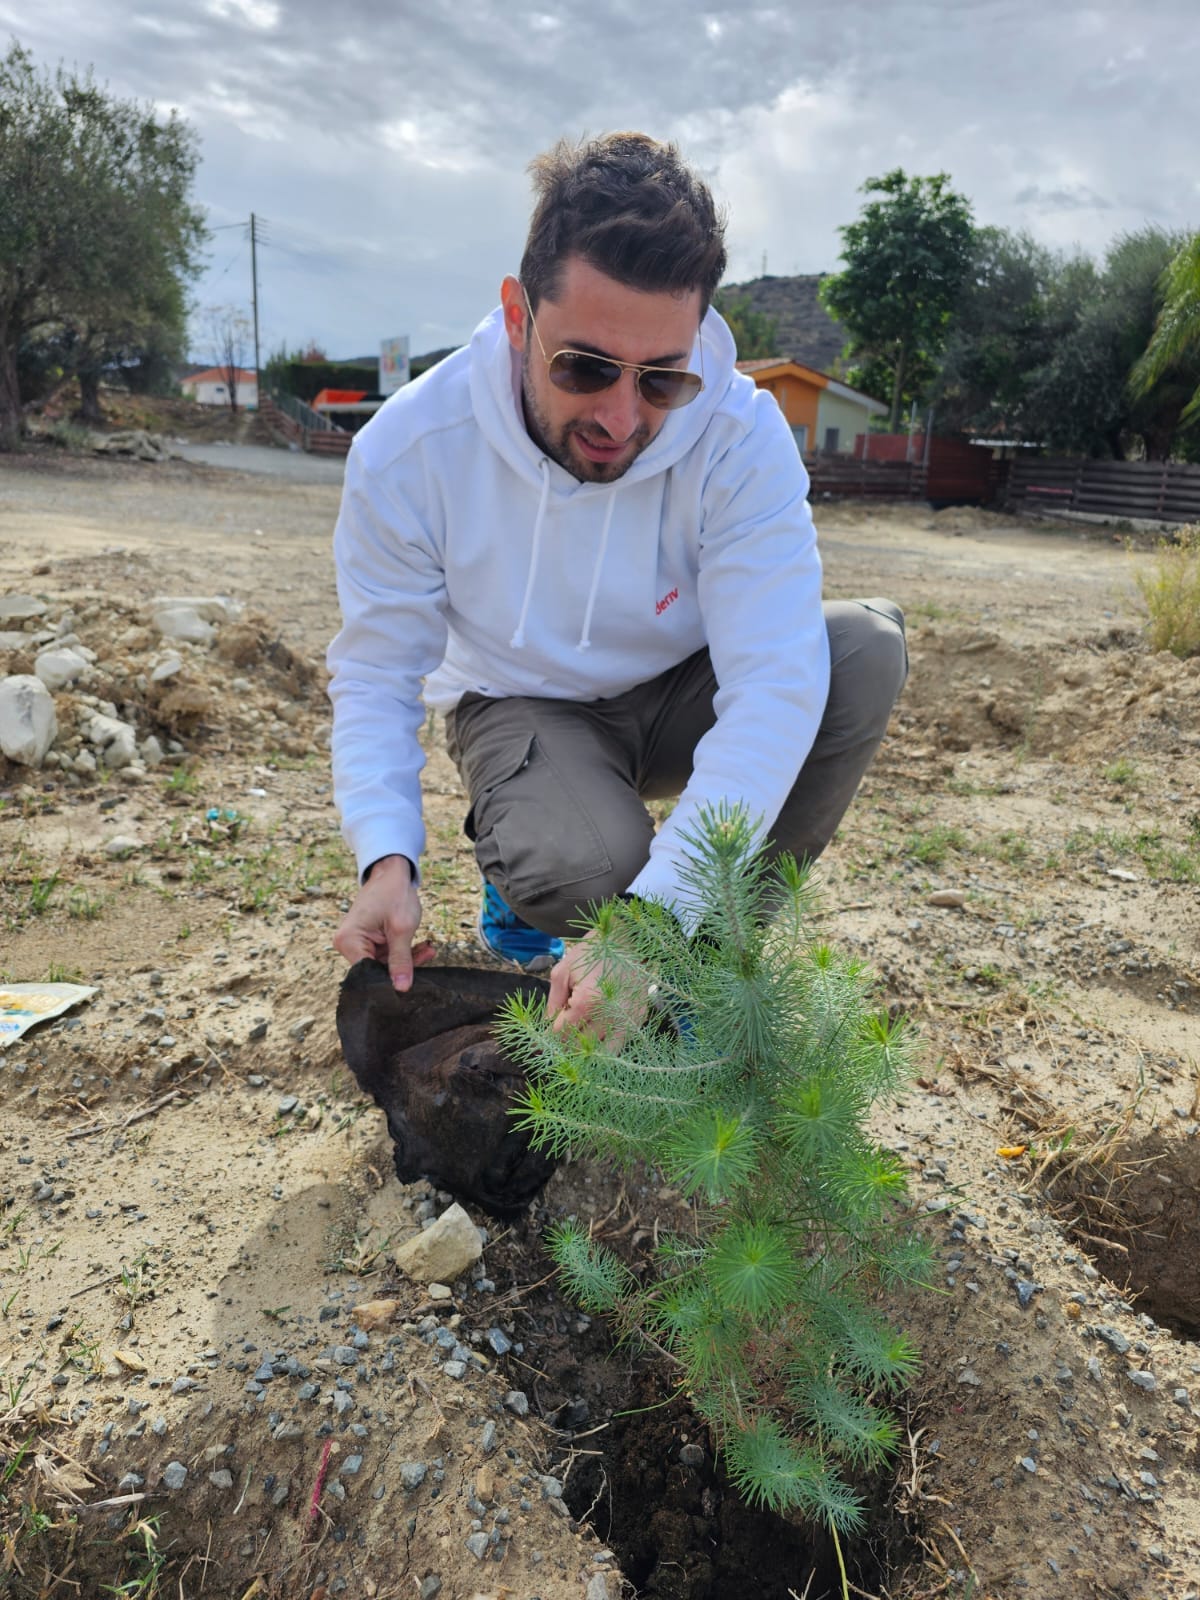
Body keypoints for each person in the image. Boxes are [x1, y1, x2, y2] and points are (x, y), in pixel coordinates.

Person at [328, 131, 907, 1031]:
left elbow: (774, 684)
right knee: (590, 870)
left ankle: (692, 974)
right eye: (585, 367)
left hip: (675, 691)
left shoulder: (741, 439)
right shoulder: (409, 450)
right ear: (518, 317)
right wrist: (385, 858)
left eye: (663, 378)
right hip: (522, 701)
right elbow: (377, 673)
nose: (621, 416)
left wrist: (656, 921)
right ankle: (537, 887)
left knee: (861, 653)